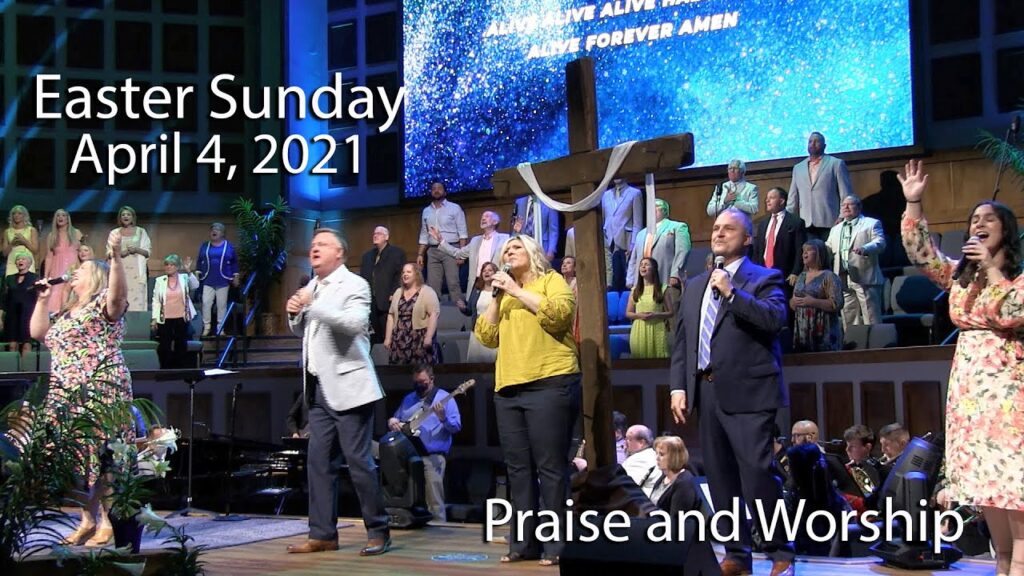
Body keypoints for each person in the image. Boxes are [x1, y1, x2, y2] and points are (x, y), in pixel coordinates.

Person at [899, 159, 1024, 575]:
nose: (978, 224)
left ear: (1006, 231)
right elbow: (922, 253)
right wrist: (914, 203)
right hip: (970, 397)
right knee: (989, 490)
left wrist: (991, 267)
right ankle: (1002, 563)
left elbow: (1012, 312)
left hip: (1009, 395)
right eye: (974, 219)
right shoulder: (960, 278)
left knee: (1015, 487)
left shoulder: (1017, 280)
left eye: (989, 219)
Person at [669, 207, 794, 576]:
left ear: (748, 238)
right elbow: (683, 342)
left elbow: (774, 319)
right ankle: (737, 555)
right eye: (716, 228)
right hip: (707, 392)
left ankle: (780, 551)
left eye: (729, 228)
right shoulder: (695, 285)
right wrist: (678, 387)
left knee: (757, 474)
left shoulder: (764, 277)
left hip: (750, 393)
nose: (719, 233)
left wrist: (732, 292)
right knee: (721, 478)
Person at [285, 228, 390, 556]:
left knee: (358, 461)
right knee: (318, 463)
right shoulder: (312, 287)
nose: (314, 249)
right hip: (319, 390)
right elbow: (304, 330)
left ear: (339, 253)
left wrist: (312, 305)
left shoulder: (355, 284)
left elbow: (354, 324)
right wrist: (294, 314)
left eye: (322, 245)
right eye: (313, 245)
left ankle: (378, 530)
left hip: (351, 387)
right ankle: (323, 534)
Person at [476, 234, 579, 567]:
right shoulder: (503, 294)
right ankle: (524, 544)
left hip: (549, 381)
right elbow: (485, 336)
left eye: (516, 247)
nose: (509, 252)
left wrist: (517, 291)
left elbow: (561, 315)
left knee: (551, 468)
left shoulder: (551, 281)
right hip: (508, 388)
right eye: (506, 250)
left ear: (532, 252)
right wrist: (497, 296)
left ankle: (558, 545)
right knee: (518, 470)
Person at [29, 228, 130, 547]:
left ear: (97, 276)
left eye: (82, 268)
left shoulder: (103, 303)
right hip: (65, 392)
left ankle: (109, 521)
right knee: (72, 457)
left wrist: (115, 258)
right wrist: (43, 300)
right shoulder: (65, 312)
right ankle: (87, 519)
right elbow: (38, 334)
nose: (74, 272)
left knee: (102, 455)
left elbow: (118, 298)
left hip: (99, 388)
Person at [387, 364, 462, 522]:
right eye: (416, 382)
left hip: (432, 457)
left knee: (434, 501)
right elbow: (398, 419)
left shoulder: (445, 398)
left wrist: (443, 418)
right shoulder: (409, 399)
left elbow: (456, 427)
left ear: (432, 379)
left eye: (422, 382)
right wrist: (392, 421)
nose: (419, 385)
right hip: (409, 457)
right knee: (410, 499)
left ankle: (440, 530)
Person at [826, 195, 886, 327]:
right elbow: (828, 247)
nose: (846, 207)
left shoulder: (871, 223)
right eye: (843, 205)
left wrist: (865, 248)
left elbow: (880, 243)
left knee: (871, 317)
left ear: (859, 207)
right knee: (849, 317)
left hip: (865, 277)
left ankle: (874, 340)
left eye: (850, 204)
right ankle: (853, 340)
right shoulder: (836, 229)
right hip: (842, 278)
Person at [787, 132, 854, 241]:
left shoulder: (836, 164)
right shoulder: (798, 168)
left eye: (817, 141)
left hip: (830, 221)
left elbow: (846, 193)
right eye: (810, 141)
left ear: (824, 145)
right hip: (806, 223)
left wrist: (842, 216)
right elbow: (792, 197)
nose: (813, 144)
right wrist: (788, 220)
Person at [431, 210, 509, 303]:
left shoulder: (504, 238)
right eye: (482, 217)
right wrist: (441, 241)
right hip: (477, 283)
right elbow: (458, 253)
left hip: (495, 282)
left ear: (495, 222)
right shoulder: (475, 241)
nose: (483, 218)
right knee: (474, 310)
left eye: (487, 216)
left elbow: (514, 250)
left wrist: (517, 233)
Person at [416, 181, 468, 307]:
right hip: (433, 250)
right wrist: (420, 254)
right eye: (434, 188)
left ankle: (459, 309)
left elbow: (462, 232)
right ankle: (434, 310)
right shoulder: (426, 211)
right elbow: (424, 234)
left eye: (439, 188)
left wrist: (462, 253)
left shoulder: (455, 208)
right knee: (432, 284)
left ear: (445, 192)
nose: (436, 190)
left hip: (451, 248)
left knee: (453, 282)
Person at [790, 239, 844, 352]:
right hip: (802, 331)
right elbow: (793, 301)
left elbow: (837, 303)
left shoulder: (829, 277)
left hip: (823, 330)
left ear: (820, 253)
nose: (804, 253)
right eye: (803, 251)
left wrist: (813, 302)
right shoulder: (801, 276)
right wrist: (793, 302)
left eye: (809, 250)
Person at [626, 198, 691, 290]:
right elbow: (634, 258)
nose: (652, 209)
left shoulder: (677, 227)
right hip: (642, 284)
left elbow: (682, 251)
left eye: (656, 206)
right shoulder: (641, 233)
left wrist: (675, 274)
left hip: (665, 278)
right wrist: (630, 279)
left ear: (665, 210)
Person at [384, 263, 441, 365]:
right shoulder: (398, 292)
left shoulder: (427, 292)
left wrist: (429, 337)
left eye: (409, 272)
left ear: (416, 274)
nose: (405, 274)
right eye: (403, 272)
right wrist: (388, 338)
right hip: (399, 340)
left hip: (419, 339)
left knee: (420, 371)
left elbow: (434, 314)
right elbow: (391, 315)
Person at [151, 254, 199, 369]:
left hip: (181, 317)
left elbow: (195, 285)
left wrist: (188, 271)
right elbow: (156, 300)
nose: (168, 267)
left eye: (172, 265)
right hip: (165, 318)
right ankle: (165, 370)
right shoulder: (160, 281)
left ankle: (180, 370)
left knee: (181, 344)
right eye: (167, 264)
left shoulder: (184, 278)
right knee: (165, 346)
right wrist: (154, 318)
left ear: (177, 267)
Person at [360, 226, 406, 344]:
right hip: (371, 302)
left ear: (387, 237)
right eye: (374, 233)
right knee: (374, 337)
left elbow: (400, 275)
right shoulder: (367, 256)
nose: (375, 235)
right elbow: (363, 278)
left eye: (379, 233)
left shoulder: (397, 253)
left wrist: (394, 292)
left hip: (388, 299)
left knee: (388, 335)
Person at [752, 187, 806, 288]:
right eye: (767, 198)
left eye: (771, 198)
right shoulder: (763, 223)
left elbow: (800, 250)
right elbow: (757, 250)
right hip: (762, 275)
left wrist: (795, 272)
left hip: (785, 276)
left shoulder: (795, 222)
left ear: (781, 201)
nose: (767, 200)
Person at [195, 222, 239, 337]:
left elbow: (234, 262)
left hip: (223, 280)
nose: (214, 231)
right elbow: (199, 260)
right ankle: (207, 327)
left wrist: (236, 276)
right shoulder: (205, 246)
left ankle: (220, 328)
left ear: (222, 233)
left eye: (217, 229)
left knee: (221, 305)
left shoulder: (229, 246)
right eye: (212, 229)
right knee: (206, 303)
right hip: (208, 279)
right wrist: (198, 272)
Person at [625, 258, 675, 359]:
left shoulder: (662, 288)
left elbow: (671, 312)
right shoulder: (635, 290)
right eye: (641, 265)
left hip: (657, 328)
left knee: (659, 360)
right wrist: (639, 315)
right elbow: (628, 313)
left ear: (653, 269)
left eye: (646, 264)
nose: (643, 266)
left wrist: (655, 314)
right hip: (639, 330)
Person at [602, 178, 644, 291]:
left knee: (626, 277)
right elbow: (604, 219)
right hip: (609, 240)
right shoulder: (606, 195)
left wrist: (633, 243)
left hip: (626, 239)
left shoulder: (634, 193)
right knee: (612, 277)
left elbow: (637, 222)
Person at [43, 209, 83, 314]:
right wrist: (46, 276)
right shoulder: (52, 236)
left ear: (68, 218)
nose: (60, 218)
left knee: (72, 294)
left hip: (73, 268)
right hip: (57, 270)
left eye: (63, 215)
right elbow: (49, 257)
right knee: (56, 297)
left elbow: (83, 251)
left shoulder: (76, 233)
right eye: (58, 215)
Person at [648, 436, 700, 515]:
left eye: (661, 454)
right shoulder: (663, 477)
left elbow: (677, 518)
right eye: (656, 453)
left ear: (674, 457)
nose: (657, 458)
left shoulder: (684, 483)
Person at [113, 206, 151, 312]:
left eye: (128, 214)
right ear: (120, 217)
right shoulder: (114, 233)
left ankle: (137, 322)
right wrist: (121, 253)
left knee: (137, 302)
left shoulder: (141, 231)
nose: (126, 217)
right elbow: (109, 253)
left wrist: (136, 250)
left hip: (137, 273)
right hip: (120, 272)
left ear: (133, 217)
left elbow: (147, 252)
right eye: (123, 215)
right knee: (121, 300)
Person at [460, 261, 499, 363]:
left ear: (495, 273)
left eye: (490, 270)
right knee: (476, 363)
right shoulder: (477, 290)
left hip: (493, 333)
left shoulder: (500, 291)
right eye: (484, 270)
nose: (486, 272)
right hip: (477, 332)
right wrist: (463, 307)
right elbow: (469, 310)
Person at [2, 253, 38, 356]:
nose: (20, 261)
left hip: (28, 315)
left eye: (23, 259)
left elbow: (38, 297)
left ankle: (25, 366)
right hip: (12, 315)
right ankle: (12, 365)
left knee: (26, 344)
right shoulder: (9, 278)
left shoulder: (35, 278)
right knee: (12, 345)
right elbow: (4, 298)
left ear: (29, 263)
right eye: (18, 259)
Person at [514, 195, 559, 261]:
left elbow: (553, 230)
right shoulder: (519, 201)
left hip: (542, 247)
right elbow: (516, 225)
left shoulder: (548, 202)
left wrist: (551, 250)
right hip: (523, 246)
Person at [3, 205, 39, 276]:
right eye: (14, 213)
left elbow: (35, 250)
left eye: (19, 213)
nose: (16, 215)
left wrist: (24, 241)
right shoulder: (7, 232)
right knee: (11, 282)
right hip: (12, 263)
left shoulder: (31, 230)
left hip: (27, 262)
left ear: (24, 216)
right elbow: (4, 253)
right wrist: (12, 243)